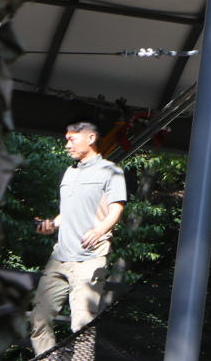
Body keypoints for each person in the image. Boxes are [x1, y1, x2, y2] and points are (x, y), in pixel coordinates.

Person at [30, 121, 127, 356]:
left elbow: (116, 208)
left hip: (89, 258)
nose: (67, 145)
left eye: (71, 139)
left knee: (82, 326)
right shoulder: (70, 171)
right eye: (66, 139)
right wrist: (52, 225)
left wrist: (99, 230)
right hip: (60, 257)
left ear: (91, 138)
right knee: (38, 319)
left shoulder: (111, 170)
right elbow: (69, 211)